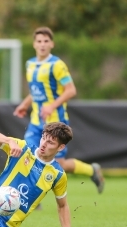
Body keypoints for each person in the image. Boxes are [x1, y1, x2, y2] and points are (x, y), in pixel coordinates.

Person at [13, 26, 104, 195]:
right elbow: (36, 90)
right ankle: (26, 194)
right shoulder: (30, 64)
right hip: (35, 121)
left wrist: (51, 106)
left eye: (46, 41)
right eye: (39, 41)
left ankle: (92, 171)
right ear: (34, 44)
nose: (42, 44)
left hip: (55, 122)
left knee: (59, 164)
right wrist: (25, 104)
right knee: (26, 155)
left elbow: (71, 90)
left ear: (52, 44)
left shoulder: (57, 65)